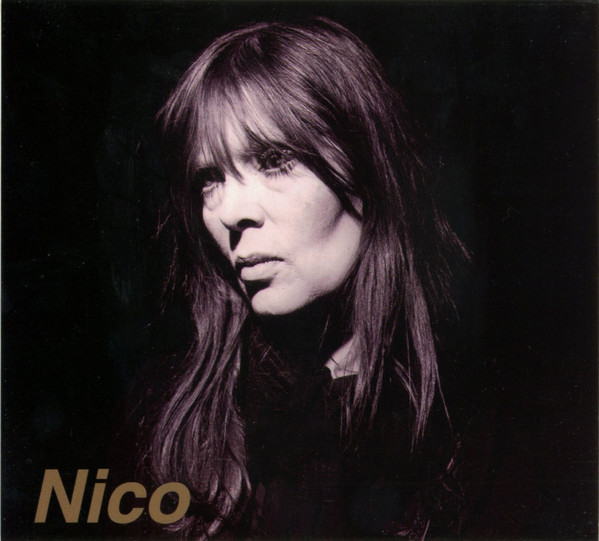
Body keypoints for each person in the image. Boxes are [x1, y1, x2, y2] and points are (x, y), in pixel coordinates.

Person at [137, 17, 486, 539]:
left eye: (275, 160)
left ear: (369, 170)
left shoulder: (481, 431)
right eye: (210, 179)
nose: (230, 211)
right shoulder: (170, 426)